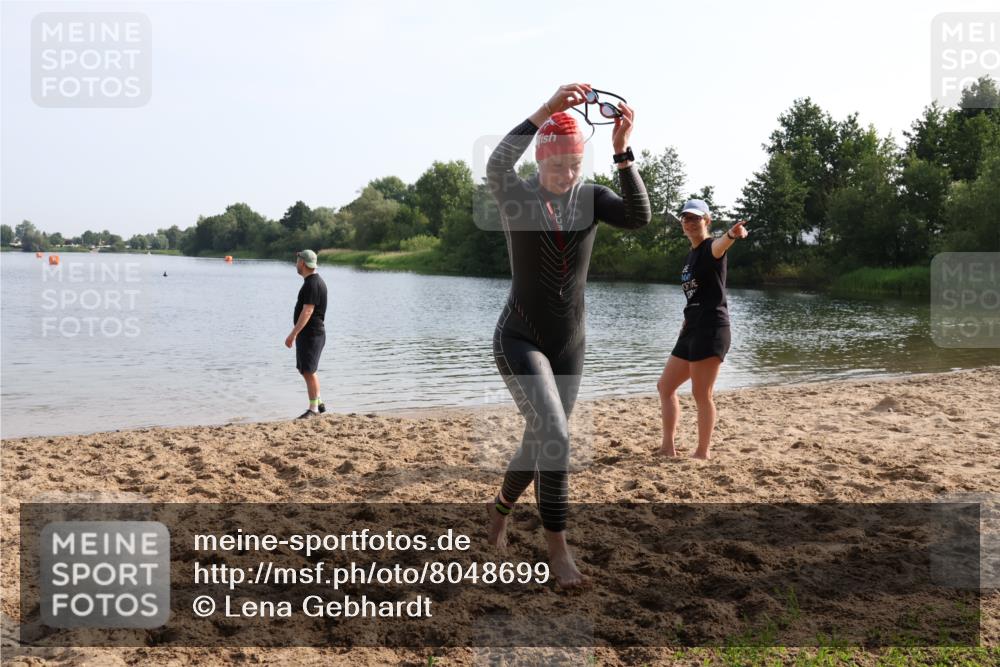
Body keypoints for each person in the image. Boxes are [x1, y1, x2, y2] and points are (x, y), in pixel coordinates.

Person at [485, 83, 651, 587]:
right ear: (541, 161)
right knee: (555, 436)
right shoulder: (518, 195)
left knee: (540, 440)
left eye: (574, 165)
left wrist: (624, 152)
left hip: (570, 343)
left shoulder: (593, 199)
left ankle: (498, 513)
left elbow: (640, 217)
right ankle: (558, 552)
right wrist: (546, 111)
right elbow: (495, 165)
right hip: (519, 337)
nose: (566, 174)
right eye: (557, 166)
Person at [657, 200, 748, 459]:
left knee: (701, 393)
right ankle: (667, 447)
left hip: (712, 329)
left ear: (707, 221)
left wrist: (732, 233)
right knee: (665, 386)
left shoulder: (710, 247)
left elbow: (721, 245)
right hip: (691, 329)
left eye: (695, 218)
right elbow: (694, 296)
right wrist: (684, 325)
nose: (689, 223)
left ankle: (702, 452)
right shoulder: (690, 256)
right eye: (685, 218)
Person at [285, 249, 329, 419]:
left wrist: (293, 334)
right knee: (306, 369)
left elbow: (308, 311)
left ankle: (313, 409)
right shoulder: (312, 281)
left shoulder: (312, 283)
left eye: (297, 261)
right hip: (311, 333)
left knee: (309, 371)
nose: (296, 264)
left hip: (311, 334)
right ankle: (318, 402)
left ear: (302, 263)